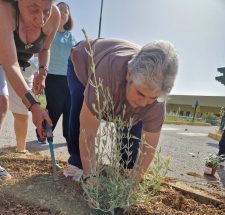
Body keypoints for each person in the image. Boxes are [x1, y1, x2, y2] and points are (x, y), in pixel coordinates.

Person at [65, 38, 179, 183]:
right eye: (141, 93)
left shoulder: (157, 100)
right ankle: (76, 163)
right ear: (129, 75)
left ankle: (126, 169)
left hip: (116, 75)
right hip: (84, 61)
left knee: (134, 121)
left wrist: (133, 182)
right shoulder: (107, 74)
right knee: (80, 107)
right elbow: (87, 133)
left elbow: (148, 148)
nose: (144, 103)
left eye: (152, 97)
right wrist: (90, 177)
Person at [0, 0, 60, 179]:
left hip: (22, 65)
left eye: (46, 11)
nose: (41, 19)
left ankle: (21, 148)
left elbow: (46, 49)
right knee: (2, 103)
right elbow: (9, 64)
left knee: (22, 114)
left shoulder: (55, 15)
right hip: (5, 60)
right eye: (34, 9)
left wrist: (43, 70)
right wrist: (34, 106)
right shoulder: (4, 10)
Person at [37, 1, 76, 144]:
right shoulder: (49, 31)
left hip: (70, 78)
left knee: (70, 108)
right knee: (54, 108)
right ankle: (43, 133)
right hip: (52, 76)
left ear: (68, 16)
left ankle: (69, 136)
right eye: (60, 10)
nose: (63, 13)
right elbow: (41, 50)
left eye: (66, 11)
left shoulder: (71, 36)